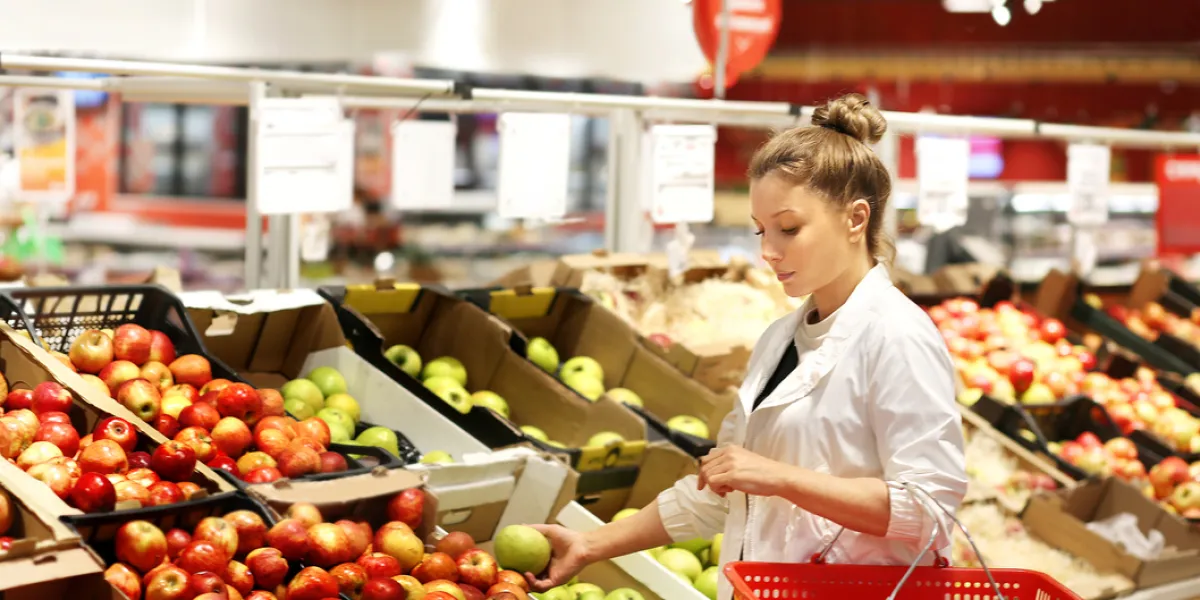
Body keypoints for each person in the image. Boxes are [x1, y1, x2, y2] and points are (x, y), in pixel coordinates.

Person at [525, 93, 968, 600]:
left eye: (789, 229)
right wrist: (590, 544)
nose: (767, 252)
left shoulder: (898, 335)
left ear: (856, 218)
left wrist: (778, 477)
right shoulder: (780, 339)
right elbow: (722, 495)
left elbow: (929, 508)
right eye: (760, 231)